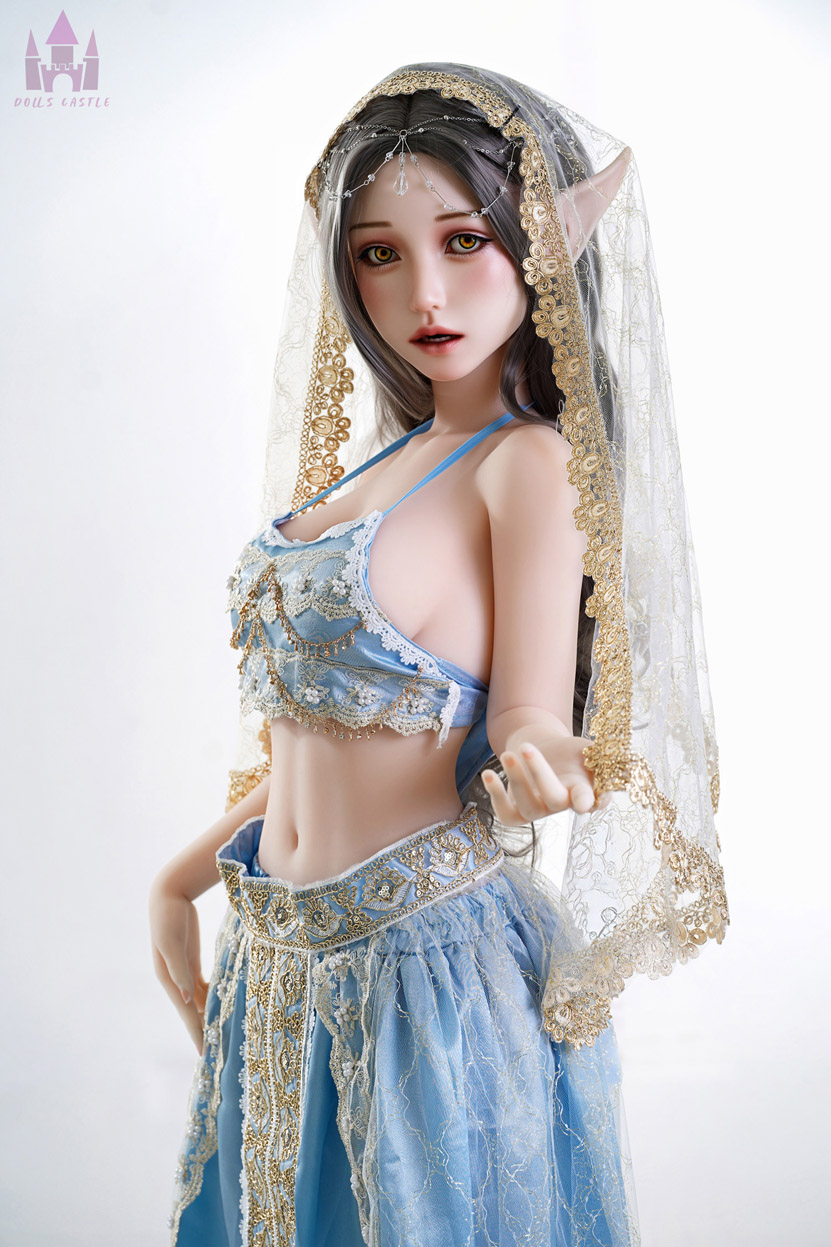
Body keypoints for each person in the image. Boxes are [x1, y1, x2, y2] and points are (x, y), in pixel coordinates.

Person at [150, 63, 728, 1247]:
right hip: (272, 960)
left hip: (423, 977)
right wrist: (182, 876)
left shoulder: (528, 465)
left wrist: (542, 749)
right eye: (379, 253)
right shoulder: (381, 465)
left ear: (543, 247)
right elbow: (333, 740)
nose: (424, 291)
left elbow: (516, 711)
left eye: (465, 241)